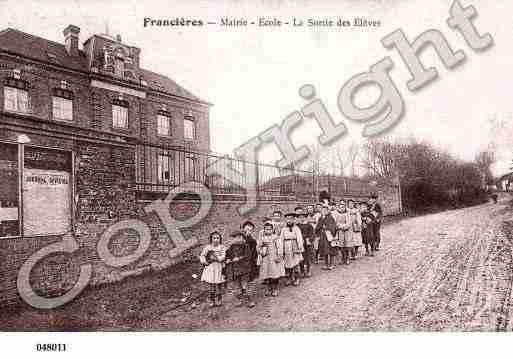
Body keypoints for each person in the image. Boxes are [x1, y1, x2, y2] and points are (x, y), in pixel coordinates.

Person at [225, 220, 259, 308]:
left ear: (243, 238)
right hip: (235, 270)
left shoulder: (246, 246)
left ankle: (249, 300)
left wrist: (239, 258)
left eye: (240, 237)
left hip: (245, 269)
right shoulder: (231, 247)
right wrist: (228, 259)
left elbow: (248, 256)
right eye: (235, 237)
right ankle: (239, 299)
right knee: (237, 286)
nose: (238, 239)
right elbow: (228, 255)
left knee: (245, 285)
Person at [257, 220, 285, 297]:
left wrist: (279, 256)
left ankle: (275, 288)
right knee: (266, 273)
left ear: (272, 230)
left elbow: (279, 247)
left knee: (274, 273)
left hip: (274, 257)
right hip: (265, 258)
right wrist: (260, 250)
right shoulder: (262, 238)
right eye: (266, 229)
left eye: (270, 229)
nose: (268, 231)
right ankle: (268, 288)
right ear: (264, 230)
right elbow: (258, 247)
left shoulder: (275, 237)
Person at [199, 231, 227, 307]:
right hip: (211, 267)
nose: (216, 240)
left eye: (217, 238)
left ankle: (219, 298)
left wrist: (217, 258)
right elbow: (202, 255)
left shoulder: (222, 247)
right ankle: (212, 299)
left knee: (219, 283)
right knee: (211, 283)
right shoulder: (208, 247)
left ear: (220, 239)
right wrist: (204, 261)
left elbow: (223, 256)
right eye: (214, 238)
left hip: (219, 267)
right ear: (211, 239)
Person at [279, 213, 304, 286]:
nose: (289, 220)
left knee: (296, 263)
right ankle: (289, 278)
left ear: (293, 220)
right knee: (287, 263)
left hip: (294, 246)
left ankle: (297, 278)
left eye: (291, 219)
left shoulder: (296, 228)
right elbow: (281, 239)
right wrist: (281, 249)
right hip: (286, 247)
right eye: (288, 219)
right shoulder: (283, 229)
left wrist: (300, 247)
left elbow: (299, 238)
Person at [315, 205, 337, 270]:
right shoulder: (320, 218)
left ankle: (332, 264)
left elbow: (333, 227)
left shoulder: (331, 218)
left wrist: (327, 228)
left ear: (328, 211)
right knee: (324, 250)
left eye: (325, 210)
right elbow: (318, 226)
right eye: (322, 211)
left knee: (331, 250)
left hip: (329, 235)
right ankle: (326, 264)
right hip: (322, 236)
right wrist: (319, 229)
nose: (324, 212)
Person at [333, 200, 351, 265]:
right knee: (340, 246)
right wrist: (339, 226)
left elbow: (349, 223)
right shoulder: (336, 214)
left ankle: (347, 258)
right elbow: (335, 223)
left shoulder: (347, 214)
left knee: (347, 245)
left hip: (346, 232)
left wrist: (343, 226)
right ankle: (341, 258)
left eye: (343, 207)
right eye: (340, 207)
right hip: (339, 232)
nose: (342, 208)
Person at [297, 212, 314, 277]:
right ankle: (302, 271)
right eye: (300, 217)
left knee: (308, 257)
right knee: (301, 257)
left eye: (303, 217)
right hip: (300, 243)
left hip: (307, 244)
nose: (301, 219)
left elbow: (312, 234)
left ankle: (308, 270)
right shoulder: (297, 226)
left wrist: (309, 239)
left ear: (306, 218)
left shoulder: (309, 225)